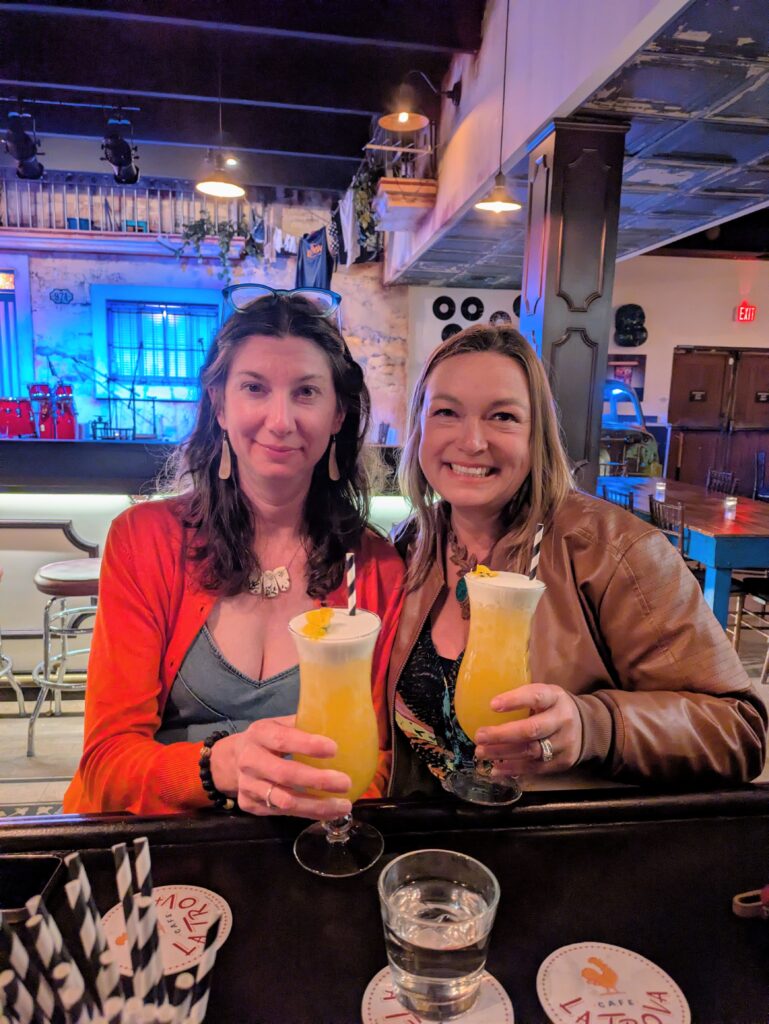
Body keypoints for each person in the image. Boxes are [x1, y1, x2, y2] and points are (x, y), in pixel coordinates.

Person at [63, 286, 404, 818]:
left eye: (307, 392)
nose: (281, 420)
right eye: (254, 387)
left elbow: (381, 762)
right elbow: (106, 767)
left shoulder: (376, 568)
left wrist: (313, 799)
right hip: (162, 841)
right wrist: (215, 768)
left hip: (305, 840)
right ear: (220, 405)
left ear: (338, 414)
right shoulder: (143, 541)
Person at [386, 324, 767, 797]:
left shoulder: (613, 551)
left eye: (503, 416)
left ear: (537, 435)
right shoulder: (409, 547)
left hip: (560, 834)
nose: (472, 441)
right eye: (446, 412)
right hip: (427, 836)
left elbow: (739, 730)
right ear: (419, 427)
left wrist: (595, 728)